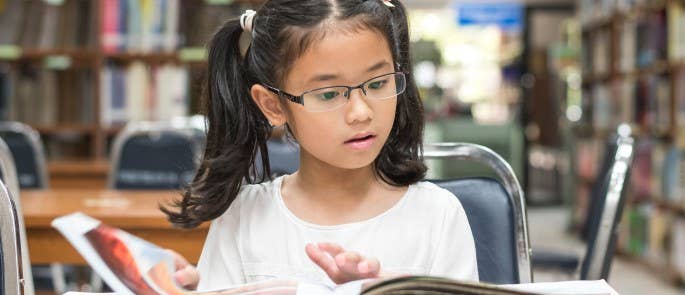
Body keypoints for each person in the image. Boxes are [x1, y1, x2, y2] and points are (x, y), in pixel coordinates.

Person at [163, 0, 478, 290]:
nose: (361, 112)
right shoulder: (244, 216)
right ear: (272, 105)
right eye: (328, 94)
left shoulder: (437, 215)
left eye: (378, 83)